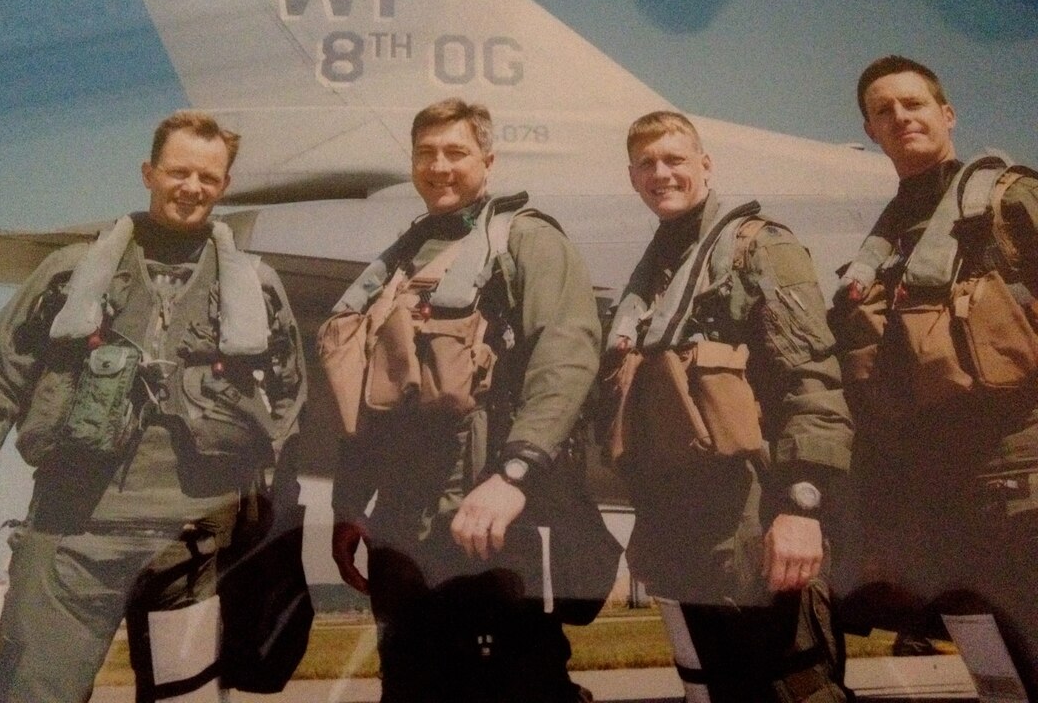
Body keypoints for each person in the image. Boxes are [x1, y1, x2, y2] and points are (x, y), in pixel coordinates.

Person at [0, 110, 307, 703]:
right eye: (178, 172)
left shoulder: (256, 288)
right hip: (72, 537)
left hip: (195, 548)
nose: (192, 188)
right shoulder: (68, 273)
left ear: (223, 187)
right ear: (148, 172)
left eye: (208, 178)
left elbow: (288, 409)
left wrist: (272, 532)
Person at [324, 98, 602, 703]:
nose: (439, 166)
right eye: (426, 153)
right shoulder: (398, 261)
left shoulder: (525, 241)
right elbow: (373, 393)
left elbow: (567, 356)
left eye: (456, 152)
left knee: (516, 689)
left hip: (493, 522)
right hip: (401, 526)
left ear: (488, 160)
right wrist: (349, 503)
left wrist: (515, 473)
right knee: (411, 688)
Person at [603, 110, 854, 702]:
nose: (661, 174)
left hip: (753, 525)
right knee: (709, 691)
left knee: (794, 689)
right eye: (647, 165)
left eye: (674, 160)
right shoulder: (653, 280)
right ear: (633, 178)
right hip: (675, 529)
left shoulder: (760, 248)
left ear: (705, 166)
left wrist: (801, 505)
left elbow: (812, 384)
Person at [832, 55, 1038, 698]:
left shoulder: (1009, 200)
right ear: (871, 132)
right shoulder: (882, 246)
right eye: (883, 112)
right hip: (941, 503)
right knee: (1000, 679)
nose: (900, 118)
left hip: (1021, 486)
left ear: (946, 114)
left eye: (913, 104)